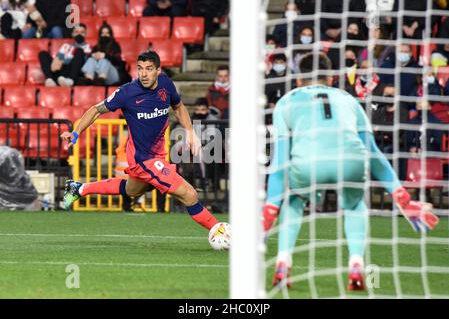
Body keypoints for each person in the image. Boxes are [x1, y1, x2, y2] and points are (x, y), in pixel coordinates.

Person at [262, 52, 439, 290]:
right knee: (355, 205)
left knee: (294, 201)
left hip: (308, 163)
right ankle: (356, 264)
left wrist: (270, 208)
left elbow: (281, 160)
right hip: (351, 159)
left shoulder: (287, 100)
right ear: (332, 79)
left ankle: (283, 262)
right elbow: (373, 152)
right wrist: (403, 198)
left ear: (298, 80)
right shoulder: (348, 99)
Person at [61, 51, 220, 232]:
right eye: (140, 69)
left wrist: (190, 132)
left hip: (157, 155)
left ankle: (79, 189)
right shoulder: (126, 92)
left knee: (132, 190)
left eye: (149, 69)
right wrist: (75, 133)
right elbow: (96, 110)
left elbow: (178, 106)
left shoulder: (166, 84)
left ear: (158, 71)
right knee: (189, 194)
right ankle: (220, 232)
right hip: (143, 159)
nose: (143, 74)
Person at [39, 23, 91, 87]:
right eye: (76, 32)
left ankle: (70, 81)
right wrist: (59, 62)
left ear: (85, 34)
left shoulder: (89, 47)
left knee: (79, 51)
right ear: (72, 34)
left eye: (82, 32)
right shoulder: (66, 46)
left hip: (73, 72)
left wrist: (63, 61)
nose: (79, 34)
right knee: (43, 54)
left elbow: (82, 62)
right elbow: (57, 60)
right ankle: (50, 80)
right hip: (60, 70)